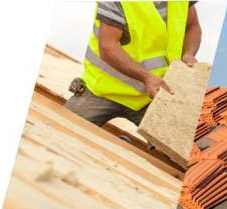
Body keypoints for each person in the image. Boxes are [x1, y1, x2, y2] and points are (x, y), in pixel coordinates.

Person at [64, 1, 202, 134]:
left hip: (154, 95)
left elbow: (192, 26)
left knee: (176, 151)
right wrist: (146, 77)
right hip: (104, 90)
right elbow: (108, 47)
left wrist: (188, 54)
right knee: (63, 131)